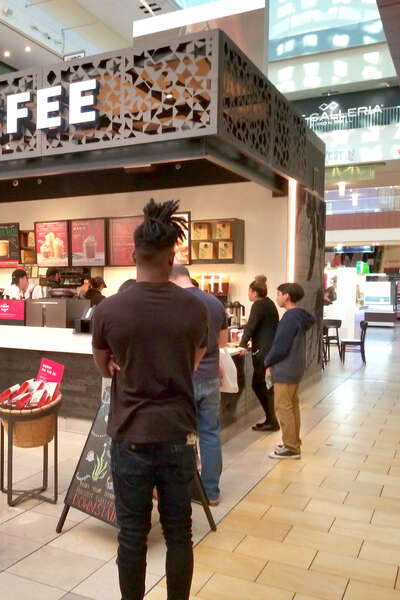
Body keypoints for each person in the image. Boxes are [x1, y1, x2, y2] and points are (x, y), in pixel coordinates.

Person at [91, 199, 208, 600]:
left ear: (132, 255)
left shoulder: (108, 309)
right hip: (177, 435)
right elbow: (192, 363)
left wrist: (126, 367)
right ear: (173, 255)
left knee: (132, 535)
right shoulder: (195, 307)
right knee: (180, 534)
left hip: (129, 437)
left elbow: (104, 365)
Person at [170, 265, 227, 506]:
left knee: (184, 434)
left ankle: (189, 487)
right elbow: (222, 341)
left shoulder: (173, 303)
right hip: (211, 376)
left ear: (171, 279)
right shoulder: (214, 302)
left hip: (183, 377)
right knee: (210, 433)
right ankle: (211, 491)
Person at [265, 282, 315, 460]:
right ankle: (293, 441)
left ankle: (291, 447)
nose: (277, 297)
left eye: (278, 294)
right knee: (292, 406)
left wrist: (267, 361)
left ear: (286, 296)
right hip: (295, 367)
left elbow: (280, 347)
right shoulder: (299, 317)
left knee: (284, 407)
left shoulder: (289, 318)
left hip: (285, 368)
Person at [239, 275, 280, 431]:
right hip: (269, 352)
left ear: (255, 292)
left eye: (249, 291)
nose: (248, 294)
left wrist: (243, 344)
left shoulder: (258, 305)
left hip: (263, 353)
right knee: (265, 385)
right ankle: (271, 419)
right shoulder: (269, 303)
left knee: (260, 385)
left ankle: (271, 421)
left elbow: (251, 326)